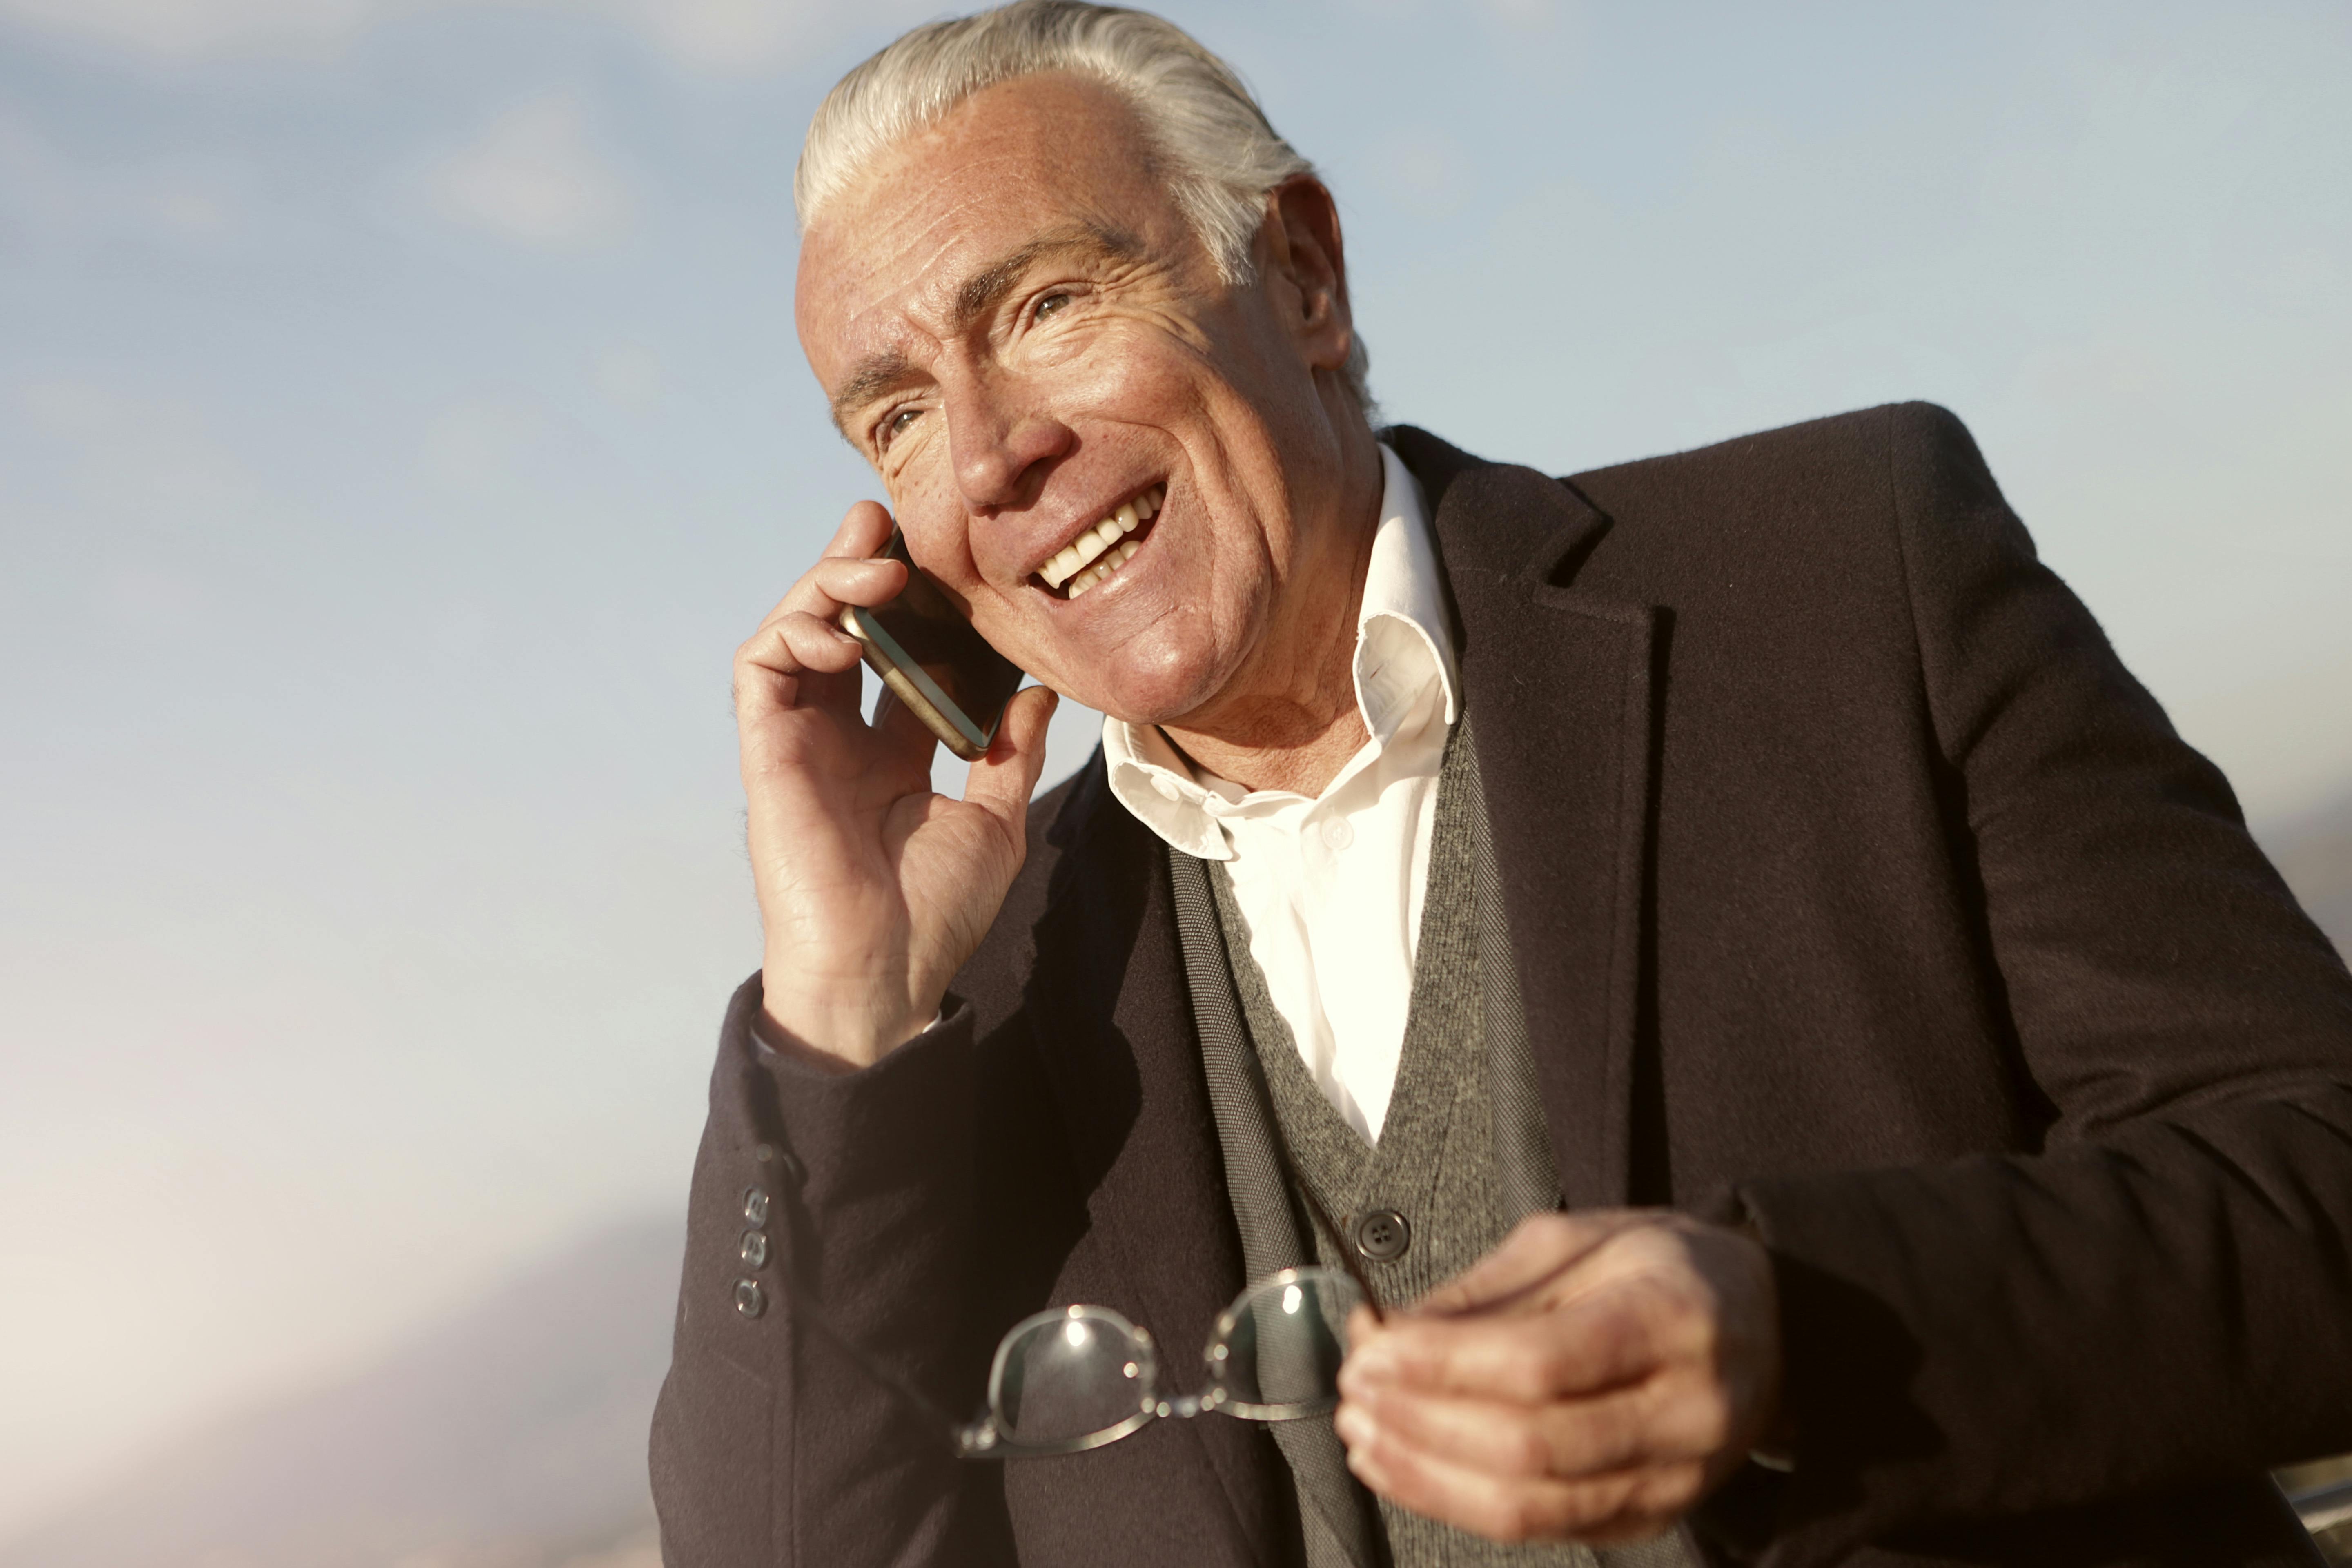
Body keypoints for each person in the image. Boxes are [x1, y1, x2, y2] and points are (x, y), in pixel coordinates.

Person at [649, 4, 2352, 1565]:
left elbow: (2319, 1186)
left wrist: (1801, 1328)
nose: (992, 458)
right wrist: (844, 1005)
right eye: (895, 420)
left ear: (1303, 274)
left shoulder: (1846, 576)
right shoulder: (987, 1002)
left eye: (1045, 306)